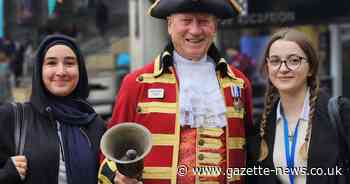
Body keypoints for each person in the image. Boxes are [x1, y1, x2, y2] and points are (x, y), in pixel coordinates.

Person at [99, 0, 253, 184]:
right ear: (170, 25)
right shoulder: (137, 83)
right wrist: (117, 176)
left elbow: (250, 151)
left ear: (215, 27)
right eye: (186, 21)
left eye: (203, 21)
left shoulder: (239, 83)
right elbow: (110, 149)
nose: (195, 30)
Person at [0, 34, 106, 184]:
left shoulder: (95, 125)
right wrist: (6, 174)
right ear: (39, 70)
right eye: (51, 63)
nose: (61, 71)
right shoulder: (12, 118)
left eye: (69, 63)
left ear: (80, 70)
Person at [248, 29, 350, 184]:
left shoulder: (340, 113)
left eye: (294, 60)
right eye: (275, 61)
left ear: (311, 68)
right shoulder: (262, 127)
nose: (283, 69)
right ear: (267, 67)